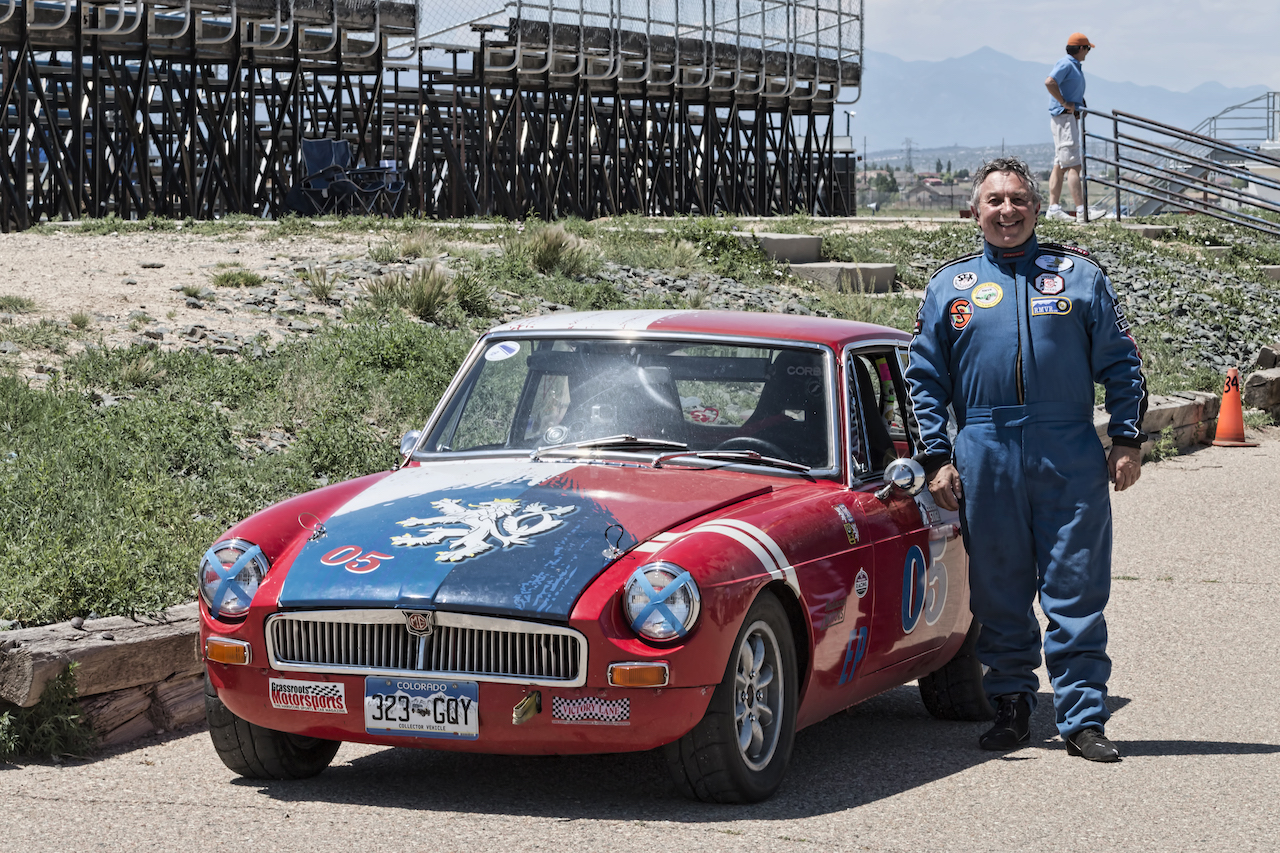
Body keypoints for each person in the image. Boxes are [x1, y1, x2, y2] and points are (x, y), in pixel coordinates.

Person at [905, 157, 1147, 762]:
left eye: (1018, 200)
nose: (1006, 211)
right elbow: (924, 378)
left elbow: (1121, 361)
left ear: (1036, 209)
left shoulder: (1080, 276)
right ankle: (1011, 704)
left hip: (1065, 445)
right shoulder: (949, 286)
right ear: (975, 212)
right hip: (984, 450)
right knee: (998, 588)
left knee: (1076, 584)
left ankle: (1084, 716)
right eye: (994, 201)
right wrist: (937, 456)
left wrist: (1126, 438)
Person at [1044, 33, 1095, 221]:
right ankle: (1082, 210)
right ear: (1081, 48)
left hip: (1067, 118)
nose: (1088, 53)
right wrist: (1064, 103)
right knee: (1074, 165)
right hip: (1064, 118)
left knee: (1060, 165)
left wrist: (1079, 103)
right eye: (1087, 49)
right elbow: (1050, 82)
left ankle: (1054, 208)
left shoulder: (1073, 66)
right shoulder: (1066, 64)